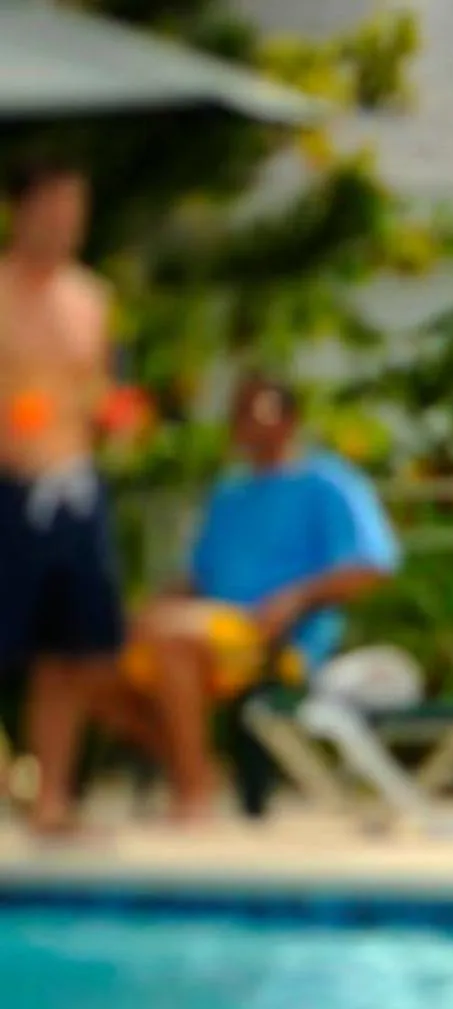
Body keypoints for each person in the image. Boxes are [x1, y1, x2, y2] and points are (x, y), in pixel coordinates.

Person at [99, 375, 399, 821]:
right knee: (91, 659)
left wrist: (295, 598)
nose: (244, 424)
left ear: (289, 419)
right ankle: (197, 769)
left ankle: (193, 791)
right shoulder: (229, 492)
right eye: (238, 413)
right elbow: (199, 575)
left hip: (278, 639)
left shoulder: (328, 482)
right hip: (206, 630)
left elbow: (372, 564)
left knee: (170, 640)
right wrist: (148, 606)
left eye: (256, 413)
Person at [0, 157, 143, 837]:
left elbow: (101, 390)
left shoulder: (92, 296)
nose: (65, 224)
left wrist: (117, 418)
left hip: (74, 486)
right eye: (53, 208)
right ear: (21, 211)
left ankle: (51, 795)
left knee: (77, 650)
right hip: (8, 488)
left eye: (75, 210)